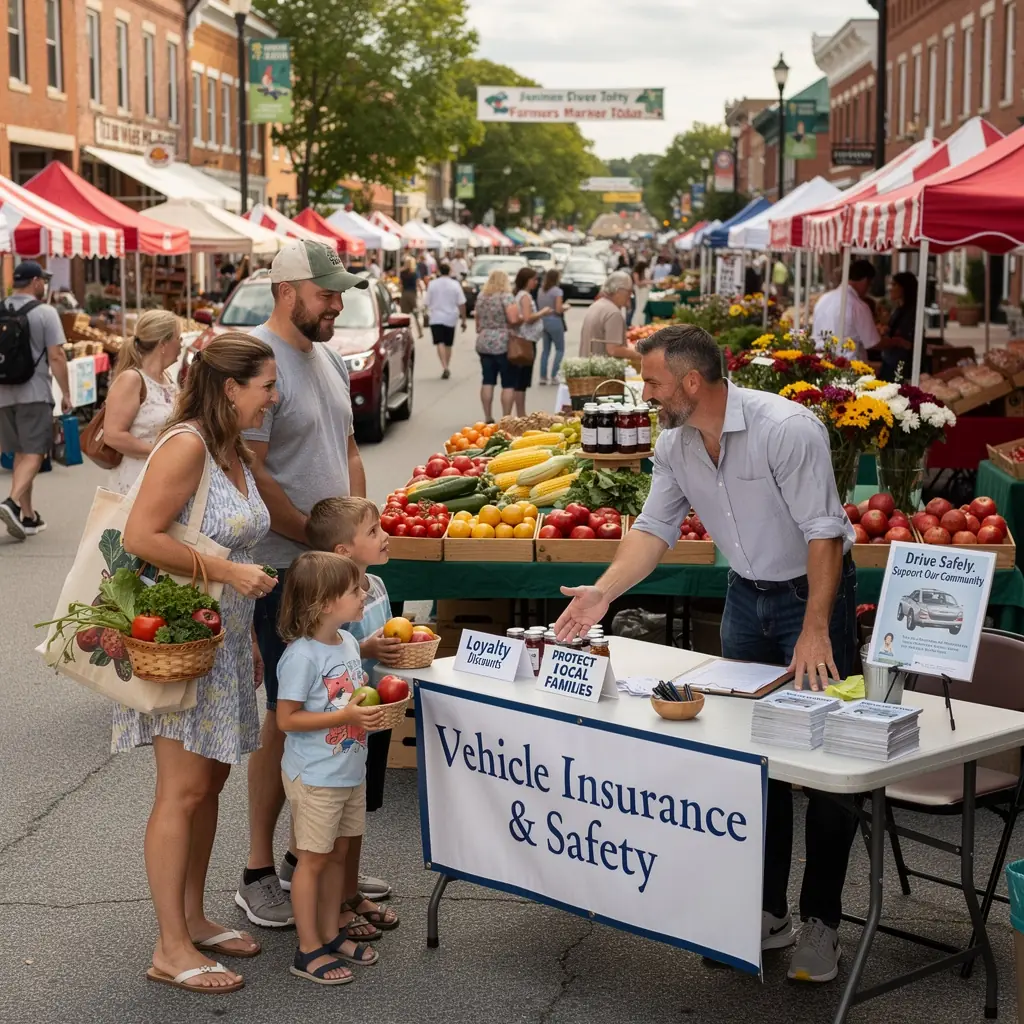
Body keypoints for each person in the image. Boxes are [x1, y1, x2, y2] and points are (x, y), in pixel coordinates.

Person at [555, 324, 858, 985]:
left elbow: (824, 535)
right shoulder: (676, 443)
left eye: (655, 382)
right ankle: (767, 912)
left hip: (815, 594)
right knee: (752, 753)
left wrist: (815, 628)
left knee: (830, 753)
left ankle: (823, 923)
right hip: (746, 598)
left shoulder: (787, 429)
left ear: (692, 383)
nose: (646, 393)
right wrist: (602, 595)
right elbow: (653, 529)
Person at [117, 332, 280, 993]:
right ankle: (169, 946)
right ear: (229, 388)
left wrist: (246, 642)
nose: (273, 398)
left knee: (208, 788)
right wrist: (226, 572)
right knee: (180, 793)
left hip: (222, 639)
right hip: (179, 637)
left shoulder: (228, 447)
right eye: (265, 386)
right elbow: (139, 536)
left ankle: (192, 917)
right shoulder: (186, 446)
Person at [237, 239, 379, 931]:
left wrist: (351, 540)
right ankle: (259, 870)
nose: (337, 303)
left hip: (326, 564)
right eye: (327, 293)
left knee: (331, 698)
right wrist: (308, 537)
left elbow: (348, 450)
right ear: (288, 290)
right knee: (281, 715)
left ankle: (313, 856)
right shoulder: (262, 364)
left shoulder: (325, 356)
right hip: (285, 567)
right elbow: (253, 467)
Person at [275, 552, 387, 984]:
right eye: (354, 590)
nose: (364, 594)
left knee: (337, 854)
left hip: (347, 770)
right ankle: (307, 949)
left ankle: (330, 930)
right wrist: (348, 718)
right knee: (313, 860)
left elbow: (348, 699)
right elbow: (287, 719)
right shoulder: (302, 657)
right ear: (325, 603)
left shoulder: (348, 642)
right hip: (317, 776)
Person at [302, 497, 402, 938]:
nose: (385, 537)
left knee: (359, 811)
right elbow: (330, 650)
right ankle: (335, 901)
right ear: (344, 552)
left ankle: (349, 889)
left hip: (374, 712)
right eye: (375, 532)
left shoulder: (376, 586)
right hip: (342, 720)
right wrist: (369, 649)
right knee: (334, 821)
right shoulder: (329, 600)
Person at [0, 261, 71, 540]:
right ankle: (11, 501)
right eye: (42, 280)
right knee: (35, 452)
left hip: (3, 394)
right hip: (34, 393)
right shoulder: (45, 313)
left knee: (21, 453)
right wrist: (66, 393)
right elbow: (57, 356)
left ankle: (27, 516)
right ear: (35, 282)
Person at [102, 310, 183, 495]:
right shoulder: (132, 380)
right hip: (136, 482)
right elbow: (113, 435)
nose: (181, 344)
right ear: (163, 343)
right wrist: (157, 451)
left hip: (164, 479)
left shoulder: (167, 379)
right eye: (178, 338)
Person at [811, 258, 879, 359]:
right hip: (848, 366)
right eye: (869, 285)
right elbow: (873, 342)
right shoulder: (858, 306)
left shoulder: (823, 299)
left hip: (822, 361)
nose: (868, 290)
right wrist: (897, 342)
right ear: (865, 281)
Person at [473, 269, 517, 422]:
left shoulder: (482, 297)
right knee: (508, 382)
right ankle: (506, 417)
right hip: (503, 342)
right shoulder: (506, 297)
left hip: (484, 341)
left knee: (487, 380)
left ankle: (488, 416)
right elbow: (513, 319)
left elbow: (477, 323)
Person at [508, 267, 550, 416]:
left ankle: (520, 412)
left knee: (520, 379)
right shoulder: (525, 296)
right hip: (526, 340)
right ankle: (521, 413)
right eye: (534, 279)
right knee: (522, 380)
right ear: (527, 280)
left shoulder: (520, 295)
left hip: (525, 338)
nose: (536, 282)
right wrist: (542, 312)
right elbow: (527, 317)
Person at [579, 272, 641, 367]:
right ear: (618, 290)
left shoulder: (597, 305)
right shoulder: (614, 313)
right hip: (602, 373)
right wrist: (642, 354)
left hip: (588, 369)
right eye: (629, 292)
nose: (629, 296)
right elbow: (614, 349)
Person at [425, 262, 467, 379]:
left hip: (436, 317)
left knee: (439, 342)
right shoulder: (455, 285)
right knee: (448, 344)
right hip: (451, 317)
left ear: (439, 271)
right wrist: (463, 320)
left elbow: (427, 302)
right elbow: (462, 303)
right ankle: (447, 365)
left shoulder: (432, 284)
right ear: (449, 272)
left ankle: (444, 366)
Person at [876, 272, 917, 382]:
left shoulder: (912, 313)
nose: (890, 289)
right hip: (890, 361)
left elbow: (909, 341)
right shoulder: (898, 309)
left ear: (904, 288)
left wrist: (897, 340)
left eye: (894, 285)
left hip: (901, 366)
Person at [537, 269, 566, 386]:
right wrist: (565, 307)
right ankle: (554, 375)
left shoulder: (541, 290)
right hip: (555, 320)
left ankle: (543, 376)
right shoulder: (557, 291)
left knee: (545, 350)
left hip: (543, 320)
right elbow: (558, 309)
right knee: (560, 349)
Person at [399, 257, 422, 339]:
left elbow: (400, 284)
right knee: (416, 314)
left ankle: (405, 332)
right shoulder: (415, 272)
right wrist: (421, 293)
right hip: (413, 294)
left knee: (404, 315)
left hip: (405, 294)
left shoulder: (402, 272)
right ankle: (420, 332)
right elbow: (418, 284)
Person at [631, 261, 651, 328]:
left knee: (642, 307)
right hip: (639, 292)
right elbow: (638, 283)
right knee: (639, 307)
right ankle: (635, 323)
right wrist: (645, 282)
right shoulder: (636, 273)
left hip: (643, 292)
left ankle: (640, 322)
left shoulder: (641, 273)